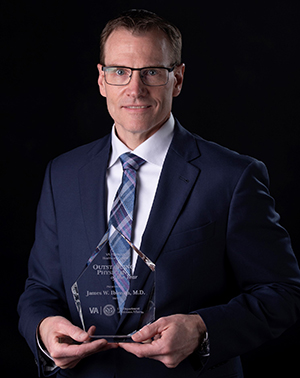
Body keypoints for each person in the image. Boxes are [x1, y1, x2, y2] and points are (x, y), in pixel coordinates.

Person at [18, 9, 300, 378]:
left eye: (151, 72)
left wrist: (202, 330)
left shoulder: (232, 177)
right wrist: (43, 329)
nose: (135, 90)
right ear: (101, 80)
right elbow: (39, 288)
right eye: (120, 72)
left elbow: (282, 293)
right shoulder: (63, 174)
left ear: (177, 79)